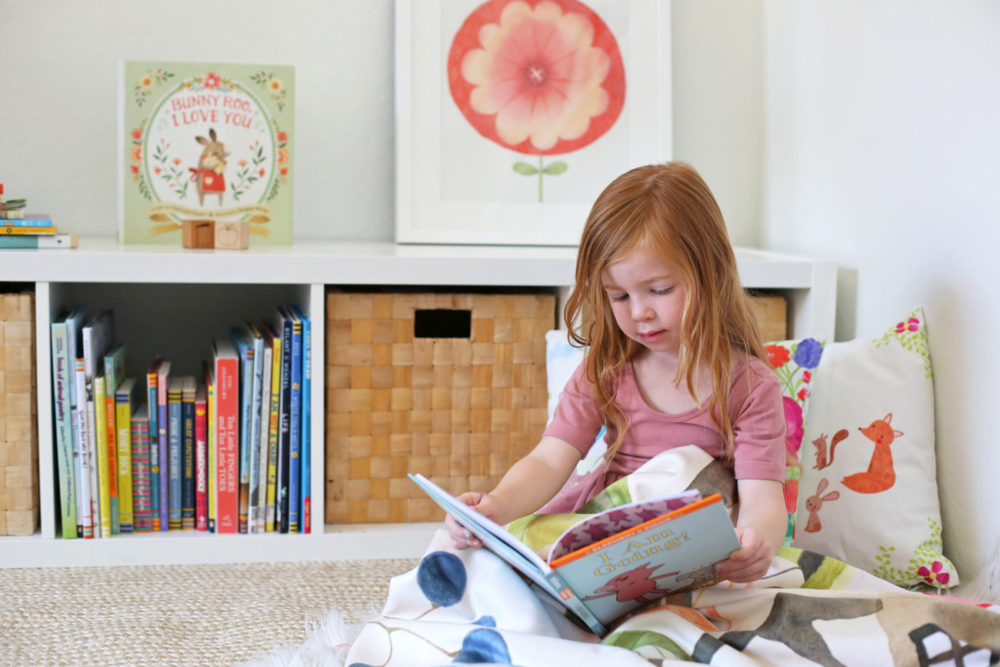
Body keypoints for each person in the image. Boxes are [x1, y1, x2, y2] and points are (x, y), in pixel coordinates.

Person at [445, 162, 787, 583]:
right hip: (604, 532)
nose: (640, 312)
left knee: (687, 468)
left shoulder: (749, 386)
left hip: (688, 547)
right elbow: (550, 460)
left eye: (660, 290)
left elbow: (762, 500)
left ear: (711, 272)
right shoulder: (605, 369)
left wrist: (754, 545)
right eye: (619, 296)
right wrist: (495, 505)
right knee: (471, 556)